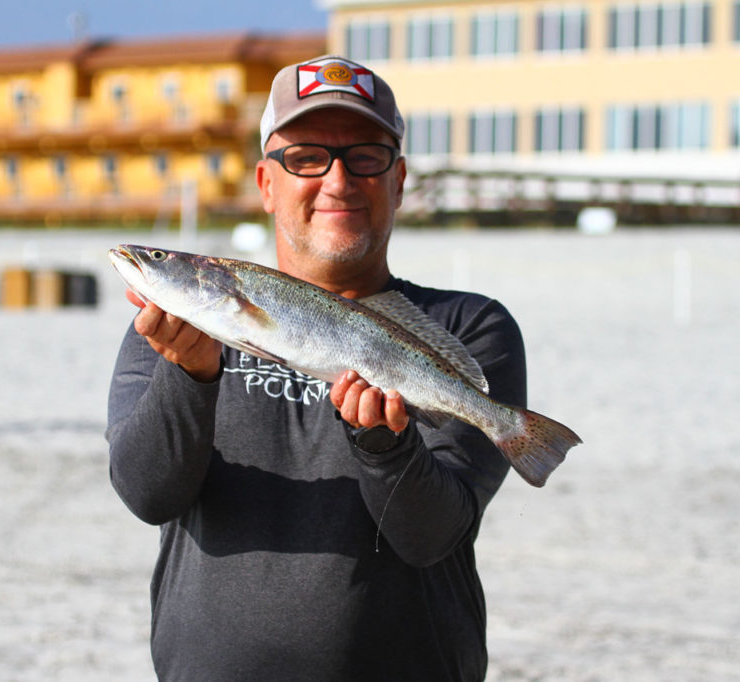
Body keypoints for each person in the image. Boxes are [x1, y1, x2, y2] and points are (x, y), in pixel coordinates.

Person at [106, 55, 526, 681]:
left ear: (400, 179)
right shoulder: (167, 333)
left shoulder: (470, 328)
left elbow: (432, 536)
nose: (337, 180)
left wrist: (387, 446)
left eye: (365, 156)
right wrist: (188, 377)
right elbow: (147, 493)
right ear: (265, 182)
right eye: (305, 157)